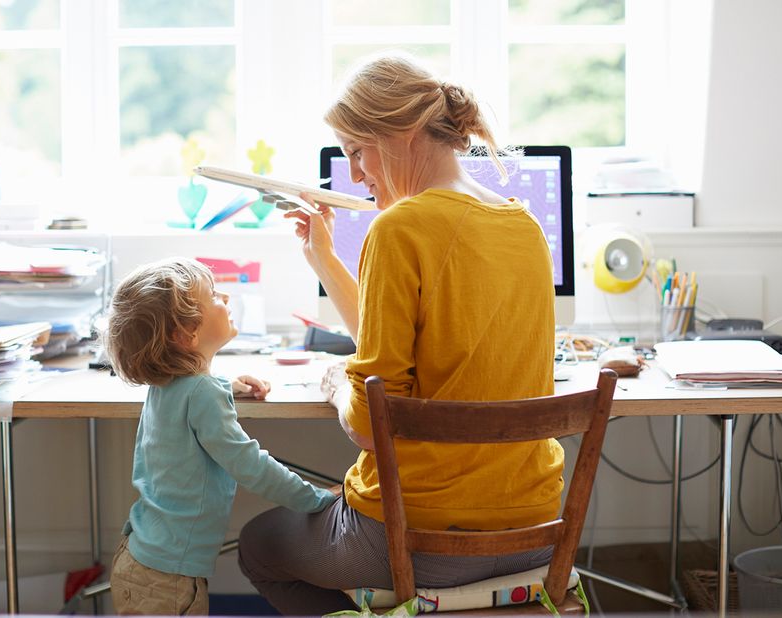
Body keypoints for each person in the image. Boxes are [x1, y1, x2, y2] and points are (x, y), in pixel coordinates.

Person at [237, 54, 561, 614]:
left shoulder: (398, 228)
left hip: (418, 538)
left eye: (357, 151)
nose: (356, 175)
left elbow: (369, 425)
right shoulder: (525, 226)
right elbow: (403, 348)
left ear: (404, 132)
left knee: (257, 546)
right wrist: (324, 259)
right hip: (532, 529)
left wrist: (338, 381)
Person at [104, 257, 337, 615]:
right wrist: (318, 500)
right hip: (167, 579)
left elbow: (190, 402)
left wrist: (229, 387)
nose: (225, 297)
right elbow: (251, 466)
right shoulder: (203, 395)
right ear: (186, 335)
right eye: (212, 294)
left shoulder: (169, 385)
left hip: (142, 557)